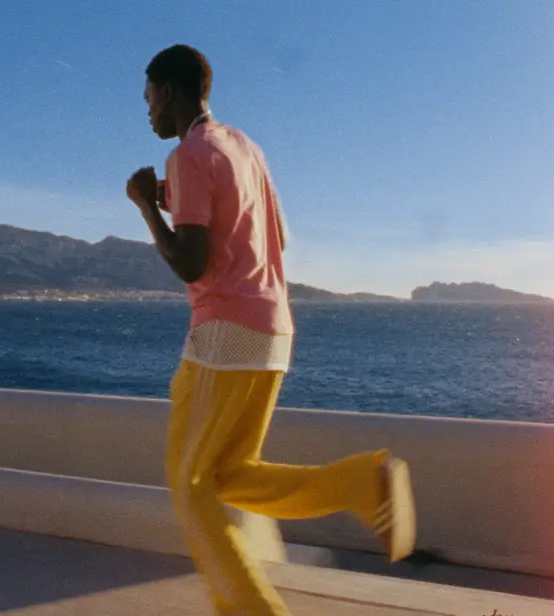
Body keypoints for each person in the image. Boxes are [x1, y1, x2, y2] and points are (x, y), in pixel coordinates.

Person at [125, 44, 416, 615]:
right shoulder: (244, 147)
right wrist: (182, 197)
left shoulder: (187, 154)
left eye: (149, 97)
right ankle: (360, 483)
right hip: (272, 332)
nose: (147, 110)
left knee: (189, 486)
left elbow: (191, 263)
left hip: (223, 334)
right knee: (230, 475)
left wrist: (147, 207)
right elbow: (275, 236)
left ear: (171, 91)